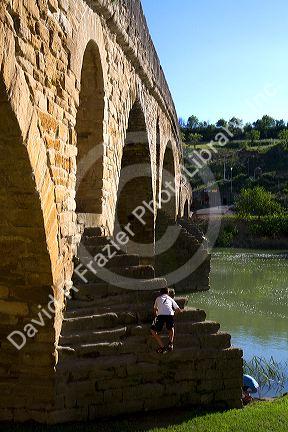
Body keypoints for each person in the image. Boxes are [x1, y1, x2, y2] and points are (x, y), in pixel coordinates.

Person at [151, 287, 183, 354]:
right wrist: (173, 314)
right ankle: (170, 343)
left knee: (153, 331)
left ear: (160, 293)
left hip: (160, 316)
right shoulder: (170, 299)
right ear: (168, 293)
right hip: (169, 315)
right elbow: (178, 310)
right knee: (171, 328)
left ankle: (162, 347)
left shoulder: (158, 298)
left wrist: (156, 316)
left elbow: (154, 310)